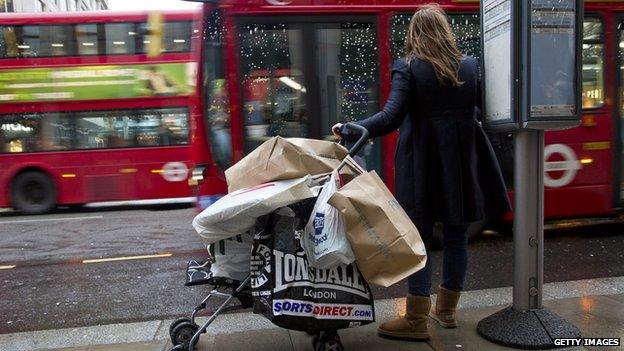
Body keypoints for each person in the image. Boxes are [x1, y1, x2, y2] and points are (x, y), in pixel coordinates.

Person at [332, 4, 511, 340]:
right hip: (460, 165)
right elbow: (482, 112)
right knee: (457, 236)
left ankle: (415, 320)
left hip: (423, 165)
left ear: (415, 34)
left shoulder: (410, 68)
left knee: (420, 240)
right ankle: (447, 313)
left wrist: (352, 128)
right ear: (445, 31)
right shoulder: (470, 68)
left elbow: (391, 117)